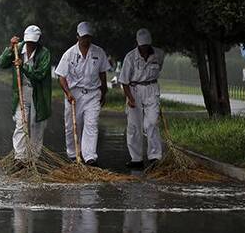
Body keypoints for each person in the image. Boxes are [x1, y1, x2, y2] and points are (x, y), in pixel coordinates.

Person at [55, 22, 111, 166]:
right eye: (83, 37)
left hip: (93, 94)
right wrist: (67, 93)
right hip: (74, 93)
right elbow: (61, 76)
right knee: (73, 125)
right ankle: (73, 154)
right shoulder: (69, 54)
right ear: (78, 37)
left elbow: (103, 73)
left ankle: (89, 156)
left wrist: (103, 92)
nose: (86, 40)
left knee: (91, 124)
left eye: (88, 37)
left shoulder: (99, 53)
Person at [0, 25, 51, 170]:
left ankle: (34, 158)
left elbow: (39, 75)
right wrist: (10, 48)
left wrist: (23, 67)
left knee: (36, 126)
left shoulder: (44, 53)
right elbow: (2, 63)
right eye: (28, 42)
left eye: (33, 42)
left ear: (38, 41)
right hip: (21, 92)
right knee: (21, 124)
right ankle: (20, 158)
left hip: (38, 94)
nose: (30, 45)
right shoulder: (17, 49)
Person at [119, 28, 165, 168]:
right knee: (134, 126)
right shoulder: (130, 57)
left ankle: (155, 157)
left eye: (147, 45)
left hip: (151, 89)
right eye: (142, 46)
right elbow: (124, 81)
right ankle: (136, 159)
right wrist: (130, 98)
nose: (144, 48)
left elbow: (159, 69)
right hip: (134, 90)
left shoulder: (159, 54)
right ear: (137, 44)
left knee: (151, 123)